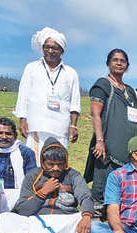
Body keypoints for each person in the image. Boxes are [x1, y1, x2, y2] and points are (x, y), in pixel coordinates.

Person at [0, 137, 94, 233]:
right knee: (3, 218)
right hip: (37, 222)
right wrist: (43, 192)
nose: (55, 168)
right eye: (50, 164)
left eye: (60, 164)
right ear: (43, 162)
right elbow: (23, 210)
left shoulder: (73, 175)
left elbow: (85, 197)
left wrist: (87, 216)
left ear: (65, 163)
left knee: (82, 219)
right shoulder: (33, 175)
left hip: (65, 223)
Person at [84, 49, 137, 218]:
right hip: (107, 147)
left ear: (127, 66)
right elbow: (95, 113)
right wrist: (100, 141)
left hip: (126, 149)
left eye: (123, 60)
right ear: (108, 63)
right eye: (115, 60)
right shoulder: (103, 84)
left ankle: (118, 220)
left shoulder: (130, 91)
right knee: (102, 187)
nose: (119, 63)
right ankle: (95, 226)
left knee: (123, 187)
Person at [14, 27, 81, 159]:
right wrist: (22, 120)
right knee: (34, 163)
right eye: (47, 47)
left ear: (62, 51)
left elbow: (74, 102)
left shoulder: (70, 73)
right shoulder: (32, 68)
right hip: (36, 125)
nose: (50, 51)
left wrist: (73, 125)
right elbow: (23, 95)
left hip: (60, 127)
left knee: (56, 163)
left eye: (55, 48)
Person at [0, 117, 37, 212]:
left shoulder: (26, 153)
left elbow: (32, 181)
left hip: (18, 199)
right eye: (0, 133)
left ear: (15, 135)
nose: (4, 137)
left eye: (8, 134)